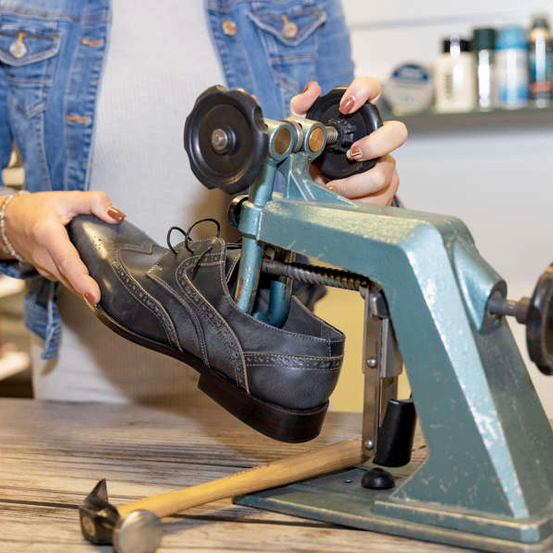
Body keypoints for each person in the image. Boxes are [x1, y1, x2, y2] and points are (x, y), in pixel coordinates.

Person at [0, 0, 407, 404]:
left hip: (267, 374)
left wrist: (355, 190)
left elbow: (342, 154)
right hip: (81, 387)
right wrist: (11, 221)